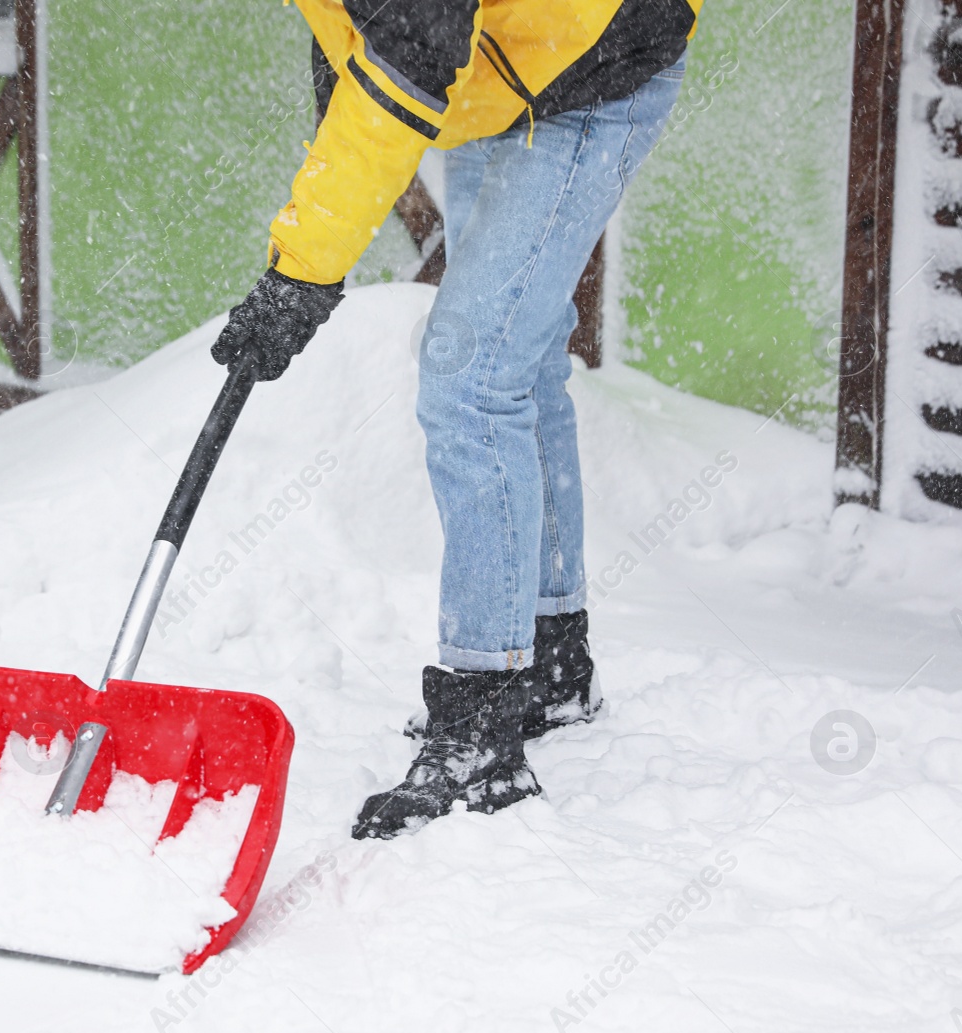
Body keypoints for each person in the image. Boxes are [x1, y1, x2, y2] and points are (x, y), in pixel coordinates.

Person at [208, 0, 701, 838]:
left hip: (597, 62)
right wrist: (307, 252)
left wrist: (304, 275)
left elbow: (408, 46)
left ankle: (480, 727)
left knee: (472, 374)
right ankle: (549, 660)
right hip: (502, 67)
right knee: (522, 357)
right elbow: (354, 35)